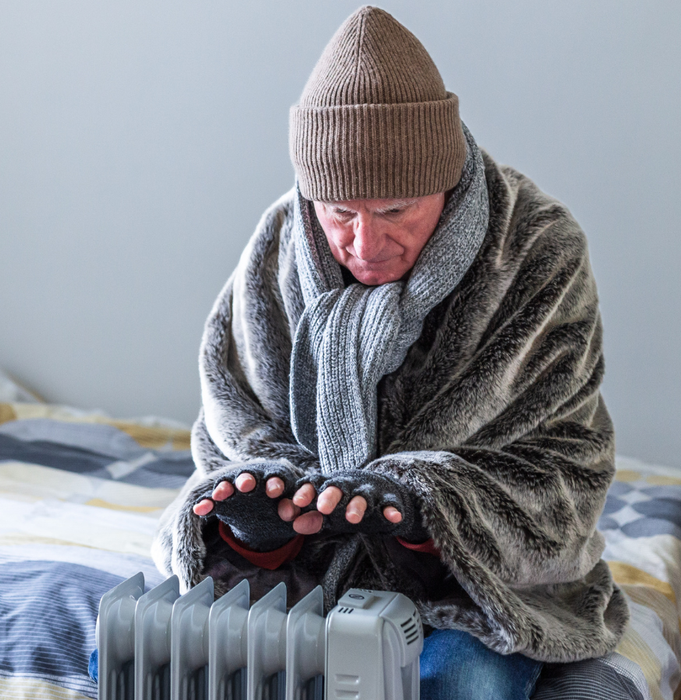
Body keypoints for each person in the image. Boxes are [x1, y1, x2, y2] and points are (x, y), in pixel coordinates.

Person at [153, 5, 628, 699]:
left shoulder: (535, 248)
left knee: (458, 680)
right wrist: (265, 521)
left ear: (447, 177)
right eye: (339, 212)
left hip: (478, 589)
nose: (364, 246)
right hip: (302, 576)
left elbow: (560, 466)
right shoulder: (279, 241)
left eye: (396, 210)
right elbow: (230, 427)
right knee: (148, 660)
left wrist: (421, 512)